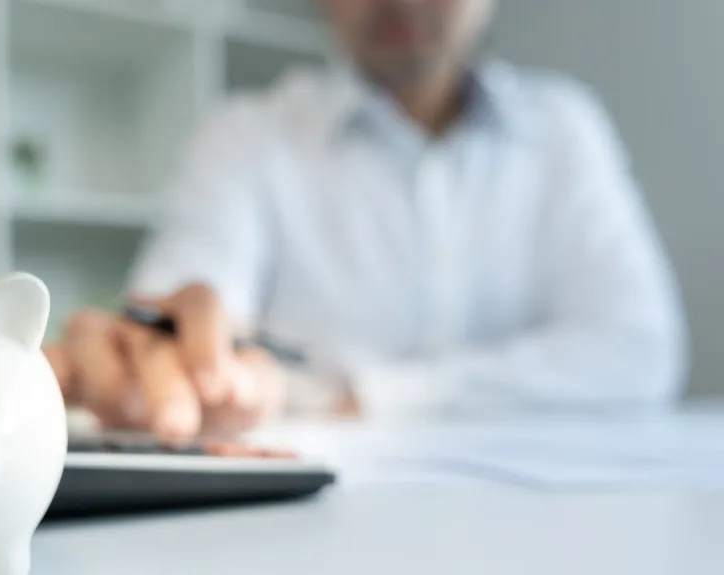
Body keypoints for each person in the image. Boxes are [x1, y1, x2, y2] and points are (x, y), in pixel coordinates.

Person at [43, 0, 689, 442]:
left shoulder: (564, 128)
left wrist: (370, 397)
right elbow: (182, 310)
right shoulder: (246, 135)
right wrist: (168, 362)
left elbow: (637, 351)